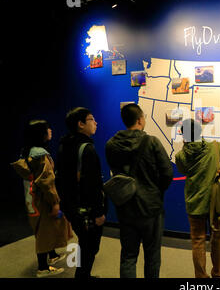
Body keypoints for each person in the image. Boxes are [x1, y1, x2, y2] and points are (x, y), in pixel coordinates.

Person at [105, 103, 173, 278]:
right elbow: (167, 173)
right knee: (152, 255)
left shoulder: (111, 145)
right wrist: (155, 191)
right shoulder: (152, 142)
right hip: (151, 208)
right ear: (140, 119)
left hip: (125, 207)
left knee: (128, 255)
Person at [11, 120, 72, 278]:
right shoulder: (41, 155)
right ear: (41, 134)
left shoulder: (29, 152)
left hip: (32, 198)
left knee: (45, 228)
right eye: (47, 129)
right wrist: (55, 202)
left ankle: (51, 256)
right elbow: (47, 182)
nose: (51, 131)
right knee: (45, 231)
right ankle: (43, 268)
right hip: (43, 199)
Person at [175, 119, 220, 278]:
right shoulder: (214, 147)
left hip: (195, 204)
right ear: (200, 132)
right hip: (217, 203)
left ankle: (201, 277)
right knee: (217, 239)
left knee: (198, 241)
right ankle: (219, 274)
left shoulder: (180, 156)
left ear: (183, 135)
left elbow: (183, 170)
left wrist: (186, 146)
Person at [55, 107, 106, 279]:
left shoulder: (64, 146)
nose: (96, 122)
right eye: (91, 119)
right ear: (81, 124)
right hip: (87, 209)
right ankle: (82, 275)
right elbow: (93, 185)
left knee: (84, 242)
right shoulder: (87, 149)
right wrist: (99, 212)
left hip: (71, 207)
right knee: (91, 245)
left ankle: (82, 274)